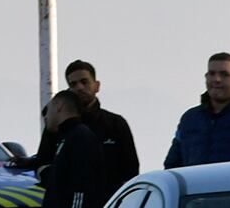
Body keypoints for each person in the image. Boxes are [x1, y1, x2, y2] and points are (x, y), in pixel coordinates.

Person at [10, 60, 140, 195]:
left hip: (109, 206)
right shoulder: (58, 127)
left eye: (84, 82)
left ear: (96, 86)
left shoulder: (115, 124)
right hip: (70, 204)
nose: (79, 87)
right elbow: (43, 162)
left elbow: (131, 170)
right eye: (73, 84)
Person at [38, 90, 110, 208]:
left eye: (48, 111)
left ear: (59, 106)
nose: (45, 117)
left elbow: (82, 188)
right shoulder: (64, 140)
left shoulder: (79, 138)